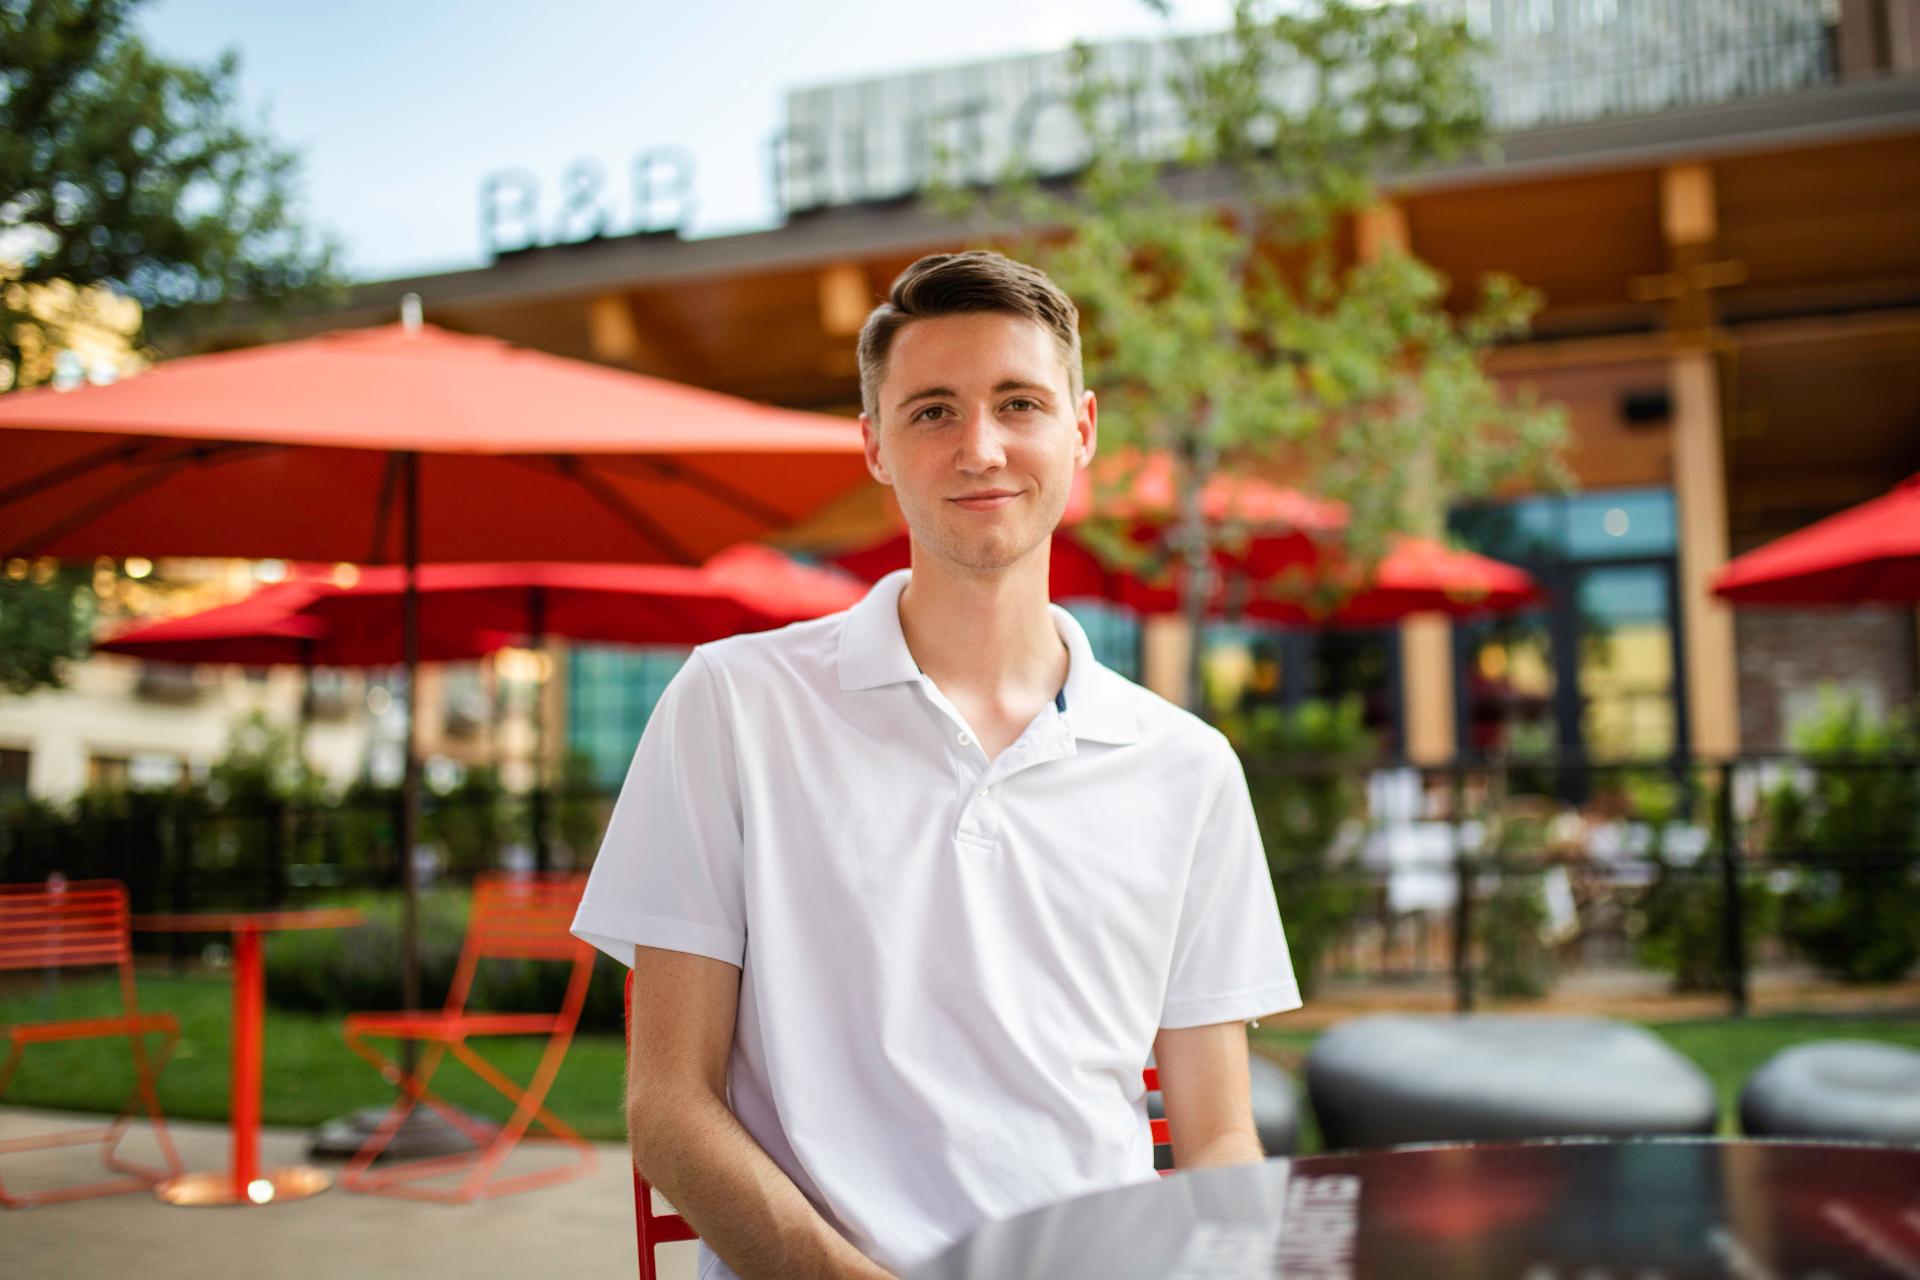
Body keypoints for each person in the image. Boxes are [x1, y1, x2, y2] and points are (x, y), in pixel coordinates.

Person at [572, 250, 1299, 1280]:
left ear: (1080, 428)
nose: (982, 447)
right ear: (874, 443)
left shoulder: (1189, 768)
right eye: (932, 411)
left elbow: (1220, 1135)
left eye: (1018, 402)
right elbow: (667, 1107)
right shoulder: (732, 703)